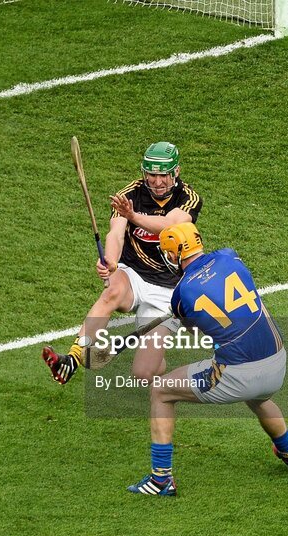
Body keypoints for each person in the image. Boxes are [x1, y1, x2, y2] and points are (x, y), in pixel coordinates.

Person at [127, 222, 288, 497]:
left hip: (238, 375)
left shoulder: (182, 293)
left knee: (161, 391)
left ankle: (161, 479)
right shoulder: (229, 256)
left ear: (174, 254)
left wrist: (172, 320)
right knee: (259, 398)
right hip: (278, 363)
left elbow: (196, 329)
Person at [43, 142, 203, 385]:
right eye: (151, 175)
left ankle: (160, 363)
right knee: (112, 291)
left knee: (143, 373)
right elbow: (115, 234)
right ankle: (73, 358)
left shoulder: (188, 198)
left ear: (176, 173)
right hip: (134, 275)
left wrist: (133, 216)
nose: (157, 182)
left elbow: (170, 224)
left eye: (163, 176)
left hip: (169, 291)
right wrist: (111, 262)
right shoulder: (129, 195)